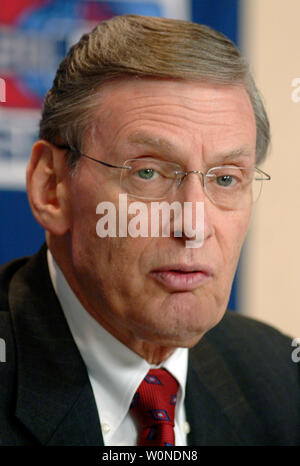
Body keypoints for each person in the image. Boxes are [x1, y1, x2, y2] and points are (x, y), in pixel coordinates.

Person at [0, 14, 299, 447]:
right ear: (52, 187)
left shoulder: (278, 377)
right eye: (148, 173)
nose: (193, 225)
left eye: (225, 179)